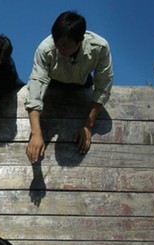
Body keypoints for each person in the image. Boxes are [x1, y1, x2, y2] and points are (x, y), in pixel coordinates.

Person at [25, 10, 113, 161]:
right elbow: (36, 86)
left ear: (79, 40)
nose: (60, 49)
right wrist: (36, 133)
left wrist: (87, 125)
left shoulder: (100, 48)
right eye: (57, 43)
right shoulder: (45, 49)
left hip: (82, 85)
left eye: (65, 45)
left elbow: (103, 87)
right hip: (52, 84)